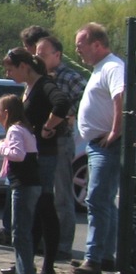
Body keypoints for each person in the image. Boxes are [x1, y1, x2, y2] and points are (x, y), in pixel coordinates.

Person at [1, 48, 69, 274]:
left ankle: (47, 267)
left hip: (44, 157)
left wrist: (49, 126)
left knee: (44, 207)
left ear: (24, 66)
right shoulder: (29, 88)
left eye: (11, 69)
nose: (9, 74)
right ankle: (25, 262)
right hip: (34, 157)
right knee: (33, 211)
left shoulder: (44, 86)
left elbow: (62, 102)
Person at [72, 23, 125, 274]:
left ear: (97, 44)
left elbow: (121, 97)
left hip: (107, 146)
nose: (77, 50)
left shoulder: (113, 67)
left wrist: (116, 130)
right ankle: (105, 256)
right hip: (96, 146)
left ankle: (94, 258)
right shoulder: (100, 68)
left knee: (97, 199)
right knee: (103, 201)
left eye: (80, 45)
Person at [34, 35, 85, 260]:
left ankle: (62, 246)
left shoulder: (70, 78)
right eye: (36, 55)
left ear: (57, 55)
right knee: (42, 195)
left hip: (61, 141)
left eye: (43, 55)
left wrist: (72, 113)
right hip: (41, 144)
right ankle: (45, 242)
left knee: (61, 195)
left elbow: (86, 99)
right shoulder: (39, 78)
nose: (38, 58)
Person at [0, 94, 41, 274]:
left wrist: (1, 146)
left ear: (6, 113)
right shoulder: (25, 128)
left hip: (22, 185)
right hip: (32, 184)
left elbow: (18, 154)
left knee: (20, 233)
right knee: (25, 231)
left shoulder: (14, 130)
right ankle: (25, 273)